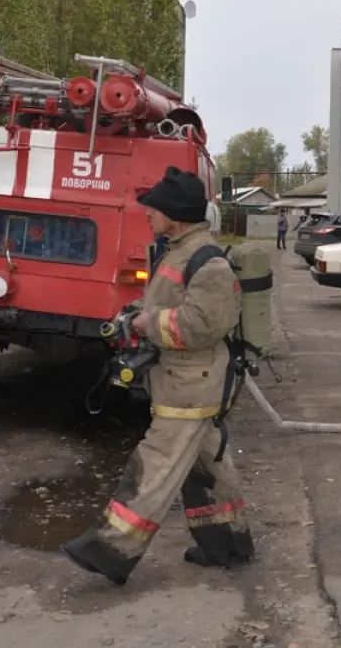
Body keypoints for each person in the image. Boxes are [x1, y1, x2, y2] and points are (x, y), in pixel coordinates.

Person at [62, 166, 254, 586]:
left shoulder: (208, 261)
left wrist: (148, 323)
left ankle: (110, 550)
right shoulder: (177, 251)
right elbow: (169, 302)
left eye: (155, 209)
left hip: (193, 384)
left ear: (177, 215)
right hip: (183, 379)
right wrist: (137, 313)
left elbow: (204, 324)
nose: (148, 214)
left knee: (156, 465)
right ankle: (228, 545)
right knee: (208, 466)